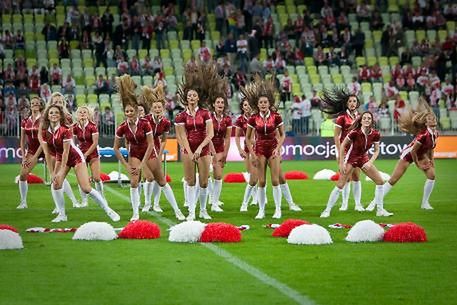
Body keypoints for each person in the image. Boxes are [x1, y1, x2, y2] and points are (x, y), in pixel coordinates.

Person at [40, 104, 120, 223]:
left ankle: (108, 210)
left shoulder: (65, 130)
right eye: (51, 113)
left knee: (86, 188)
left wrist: (61, 170)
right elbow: (48, 153)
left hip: (75, 157)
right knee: (56, 184)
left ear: (60, 115)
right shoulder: (45, 132)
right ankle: (62, 215)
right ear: (47, 115)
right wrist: (52, 173)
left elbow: (66, 152)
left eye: (56, 112)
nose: (54, 115)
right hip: (60, 158)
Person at [366, 99, 438, 210]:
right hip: (408, 156)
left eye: (433, 118)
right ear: (426, 123)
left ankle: (425, 204)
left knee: (432, 176)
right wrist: (418, 165)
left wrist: (431, 160)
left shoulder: (436, 133)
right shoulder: (423, 135)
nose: (432, 119)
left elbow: (431, 148)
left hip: (422, 155)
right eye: (429, 119)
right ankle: (374, 202)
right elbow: (413, 151)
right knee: (393, 180)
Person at [320, 111, 393, 218]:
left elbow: (377, 150)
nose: (367, 120)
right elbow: (343, 145)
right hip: (351, 158)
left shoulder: (376, 133)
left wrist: (370, 162)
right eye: (364, 118)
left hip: (364, 159)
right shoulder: (354, 132)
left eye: (369, 118)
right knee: (340, 185)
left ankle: (380, 210)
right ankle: (327, 210)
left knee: (380, 182)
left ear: (372, 120)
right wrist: (341, 163)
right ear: (361, 120)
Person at [175, 62, 215, 221]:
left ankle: (203, 210)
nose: (191, 97)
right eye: (189, 95)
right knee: (190, 181)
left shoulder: (205, 113)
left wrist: (199, 148)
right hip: (187, 150)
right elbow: (181, 136)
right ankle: (191, 211)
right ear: (186, 98)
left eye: (194, 95)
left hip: (203, 149)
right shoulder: (180, 116)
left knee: (204, 182)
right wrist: (190, 152)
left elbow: (210, 133)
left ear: (198, 98)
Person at [241, 75, 285, 219]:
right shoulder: (253, 118)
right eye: (261, 102)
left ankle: (278, 209)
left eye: (266, 102)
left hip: (273, 148)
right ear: (258, 104)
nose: (264, 104)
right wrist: (252, 154)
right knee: (261, 181)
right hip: (259, 149)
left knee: (275, 180)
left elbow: (282, 135)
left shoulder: (276, 116)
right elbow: (248, 138)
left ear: (269, 103)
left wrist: (278, 148)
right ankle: (261, 210)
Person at [141, 84, 185, 220]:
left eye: (159, 107)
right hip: (143, 149)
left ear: (163, 108)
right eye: (155, 107)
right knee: (149, 177)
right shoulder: (145, 120)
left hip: (155, 148)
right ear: (151, 109)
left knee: (161, 180)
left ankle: (176, 210)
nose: (157, 109)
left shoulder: (166, 122)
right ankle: (147, 203)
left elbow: (164, 139)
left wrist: (159, 155)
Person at [320, 87, 365, 212]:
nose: (352, 103)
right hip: (344, 150)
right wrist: (340, 152)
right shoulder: (341, 118)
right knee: (345, 177)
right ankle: (344, 203)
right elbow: (336, 135)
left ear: (357, 103)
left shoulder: (360, 117)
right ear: (346, 103)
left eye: (354, 101)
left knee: (356, 176)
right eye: (350, 101)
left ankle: (357, 204)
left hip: (356, 151)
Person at [40, 92, 81, 211]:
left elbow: (70, 134)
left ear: (63, 103)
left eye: (60, 102)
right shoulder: (47, 115)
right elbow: (42, 132)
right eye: (55, 102)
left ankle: (65, 205)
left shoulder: (67, 117)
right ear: (51, 103)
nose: (58, 104)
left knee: (58, 177)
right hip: (52, 148)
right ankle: (63, 204)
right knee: (56, 177)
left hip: (63, 149)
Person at [208, 75, 232, 213]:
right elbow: (207, 135)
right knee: (206, 176)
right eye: (218, 102)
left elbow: (227, 138)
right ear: (214, 104)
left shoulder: (228, 120)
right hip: (208, 148)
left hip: (220, 148)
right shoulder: (208, 118)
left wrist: (224, 154)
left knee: (218, 175)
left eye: (222, 103)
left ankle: (215, 203)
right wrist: (212, 153)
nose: (220, 105)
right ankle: (211, 198)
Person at [17, 97, 45, 209]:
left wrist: (36, 157)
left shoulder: (44, 120)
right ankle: (23, 202)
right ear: (30, 105)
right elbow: (22, 140)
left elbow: (43, 140)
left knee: (56, 176)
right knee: (23, 175)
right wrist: (24, 157)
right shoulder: (25, 121)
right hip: (32, 150)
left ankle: (69, 201)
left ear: (40, 105)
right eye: (33, 103)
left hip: (46, 149)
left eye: (37, 104)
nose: (34, 105)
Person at [73, 106, 104, 207]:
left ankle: (101, 198)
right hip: (81, 154)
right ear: (77, 115)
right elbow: (72, 141)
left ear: (88, 114)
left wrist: (86, 154)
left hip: (93, 154)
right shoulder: (75, 127)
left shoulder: (92, 126)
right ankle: (84, 201)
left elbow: (95, 143)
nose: (82, 114)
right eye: (80, 112)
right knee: (82, 179)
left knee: (96, 178)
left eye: (84, 112)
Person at [236, 98, 259, 212]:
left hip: (259, 147)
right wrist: (240, 149)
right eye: (245, 105)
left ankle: (257, 198)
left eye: (249, 105)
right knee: (251, 173)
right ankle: (254, 197)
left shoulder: (257, 116)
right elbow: (236, 136)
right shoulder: (240, 119)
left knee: (258, 174)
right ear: (242, 107)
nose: (247, 107)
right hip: (247, 148)